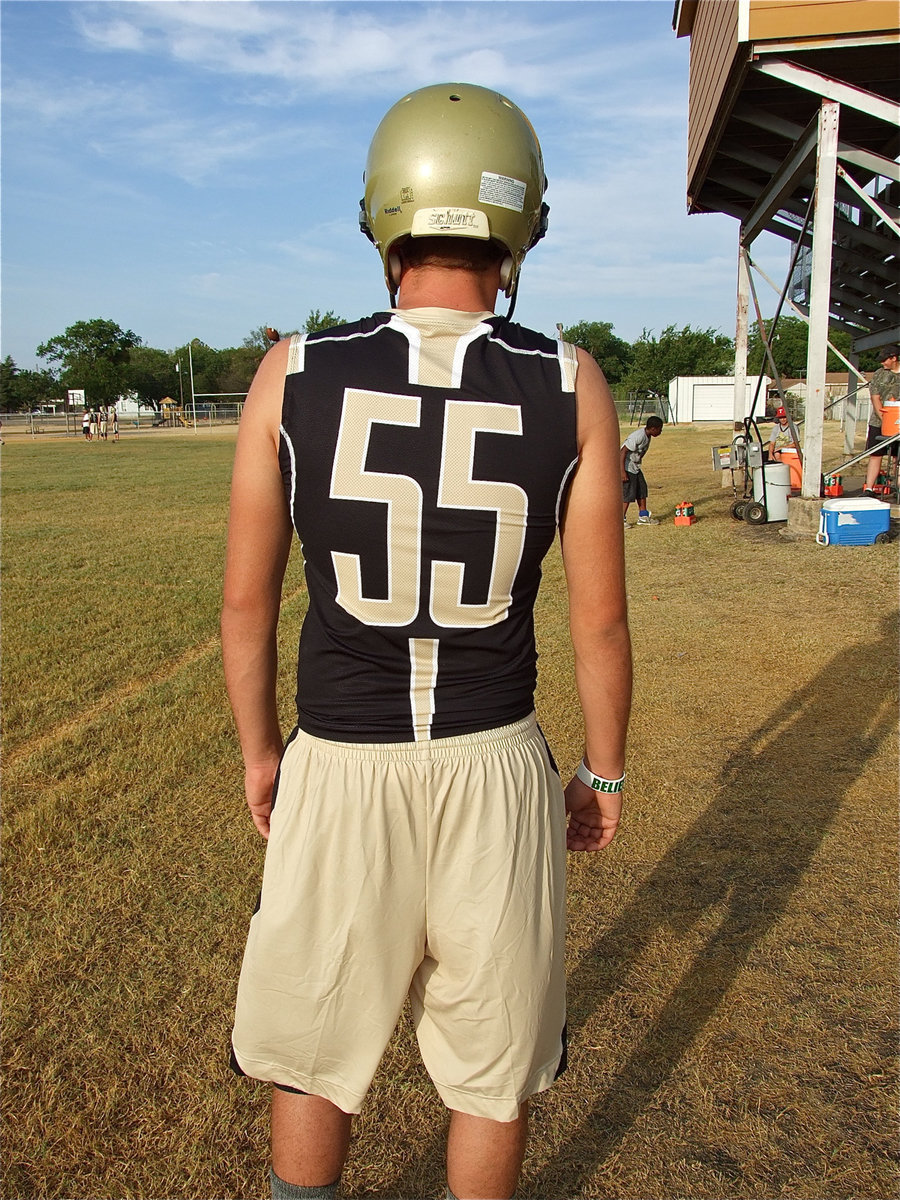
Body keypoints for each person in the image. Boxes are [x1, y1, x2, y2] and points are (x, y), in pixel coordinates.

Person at [222, 82, 632, 1200]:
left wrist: (265, 755)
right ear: (518, 227)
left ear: (385, 217)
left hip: (342, 760)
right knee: (488, 1074)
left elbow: (246, 605)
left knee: (310, 1059)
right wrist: (602, 768)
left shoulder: (293, 369)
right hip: (495, 762)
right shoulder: (569, 379)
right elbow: (598, 615)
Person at [864, 345, 899, 497]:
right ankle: (869, 488)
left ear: (894, 358)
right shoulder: (879, 374)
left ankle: (897, 488)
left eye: (885, 360)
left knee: (897, 456)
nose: (882, 363)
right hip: (879, 421)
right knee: (875, 454)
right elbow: (875, 397)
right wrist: (884, 418)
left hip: (898, 422)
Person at [621, 415, 664, 524]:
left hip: (635, 467)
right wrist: (622, 471)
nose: (661, 432)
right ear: (653, 429)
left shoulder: (647, 436)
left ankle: (643, 517)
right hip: (627, 467)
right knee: (628, 494)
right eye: (660, 429)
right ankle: (620, 519)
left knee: (642, 490)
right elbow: (622, 452)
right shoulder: (638, 436)